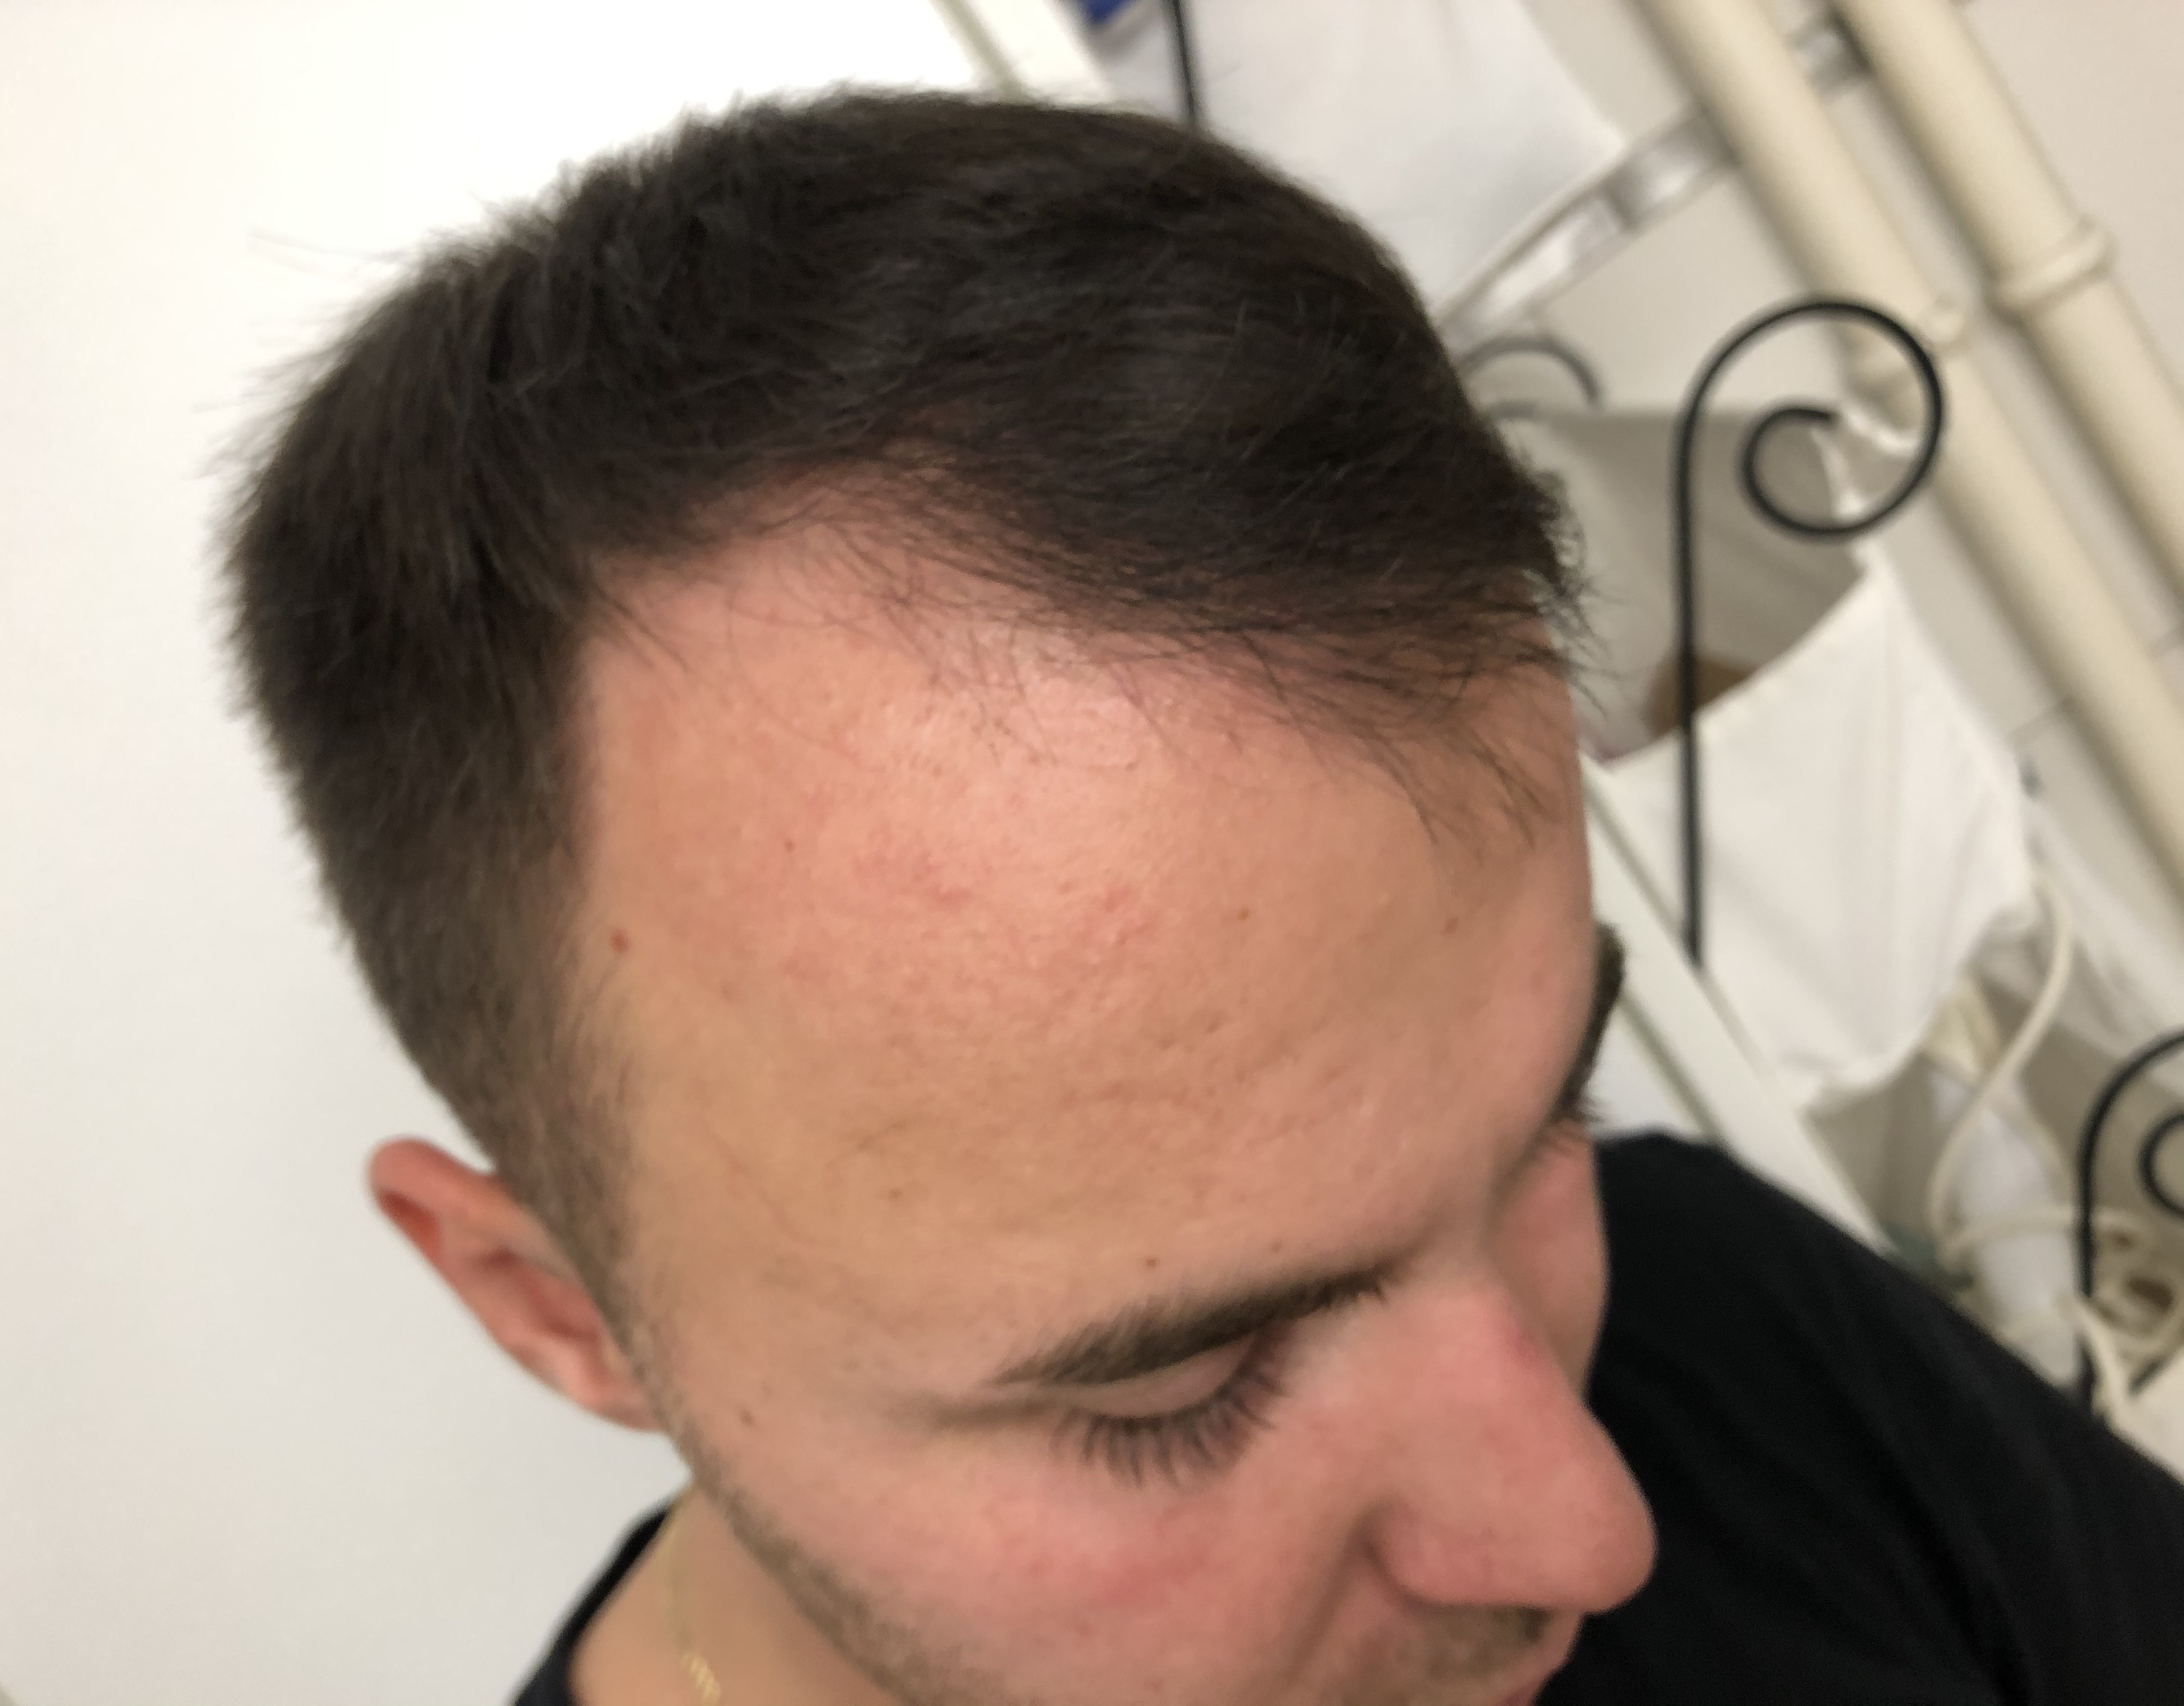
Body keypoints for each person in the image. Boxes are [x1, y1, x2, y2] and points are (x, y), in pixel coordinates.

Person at [225, 90, 2184, 1706]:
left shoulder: (1719, 1304)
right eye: (1183, 1390)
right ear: (560, 1308)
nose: (1587, 1535)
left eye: (1548, 1122)